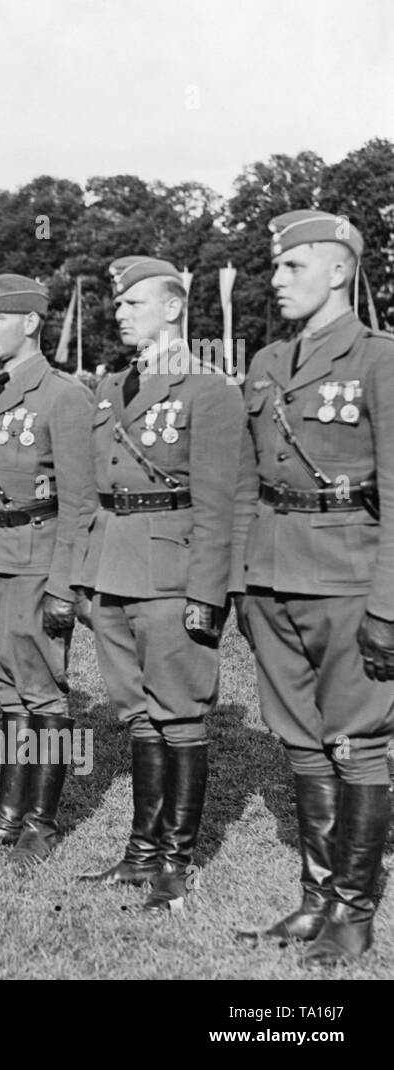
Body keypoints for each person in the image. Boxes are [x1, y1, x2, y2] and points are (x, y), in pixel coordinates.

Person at [233, 211, 394, 965]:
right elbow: (243, 484)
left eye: (292, 266)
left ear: (337, 271)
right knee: (298, 739)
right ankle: (316, 898)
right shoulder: (266, 362)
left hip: (346, 577)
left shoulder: (379, 360)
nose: (276, 280)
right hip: (269, 574)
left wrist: (388, 607)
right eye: (276, 267)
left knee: (357, 741)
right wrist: (238, 578)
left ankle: (354, 913)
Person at [74, 256, 251, 912]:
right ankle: (140, 853)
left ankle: (175, 860)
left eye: (135, 303)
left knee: (178, 713)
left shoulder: (209, 388)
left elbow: (220, 500)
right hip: (114, 563)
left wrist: (210, 592)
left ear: (174, 308)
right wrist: (84, 577)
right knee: (137, 712)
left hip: (173, 568)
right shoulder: (114, 384)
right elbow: (95, 489)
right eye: (119, 304)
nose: (121, 313)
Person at [0, 274, 94, 860]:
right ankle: (9, 816)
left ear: (30, 322)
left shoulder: (63, 395)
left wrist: (64, 586)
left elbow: (79, 501)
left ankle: (43, 823)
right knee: (7, 691)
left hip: (34, 560)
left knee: (45, 695)